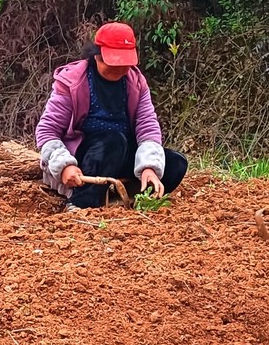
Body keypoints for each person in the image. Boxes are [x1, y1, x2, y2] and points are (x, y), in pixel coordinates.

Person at [36, 22, 188, 211]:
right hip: (86, 158)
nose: (121, 68)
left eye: (125, 63)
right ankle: (81, 203)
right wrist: (64, 166)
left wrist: (149, 167)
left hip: (120, 153)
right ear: (97, 56)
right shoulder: (72, 82)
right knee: (114, 141)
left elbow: (147, 127)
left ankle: (134, 199)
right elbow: (47, 131)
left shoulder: (137, 83)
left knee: (176, 163)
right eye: (114, 62)